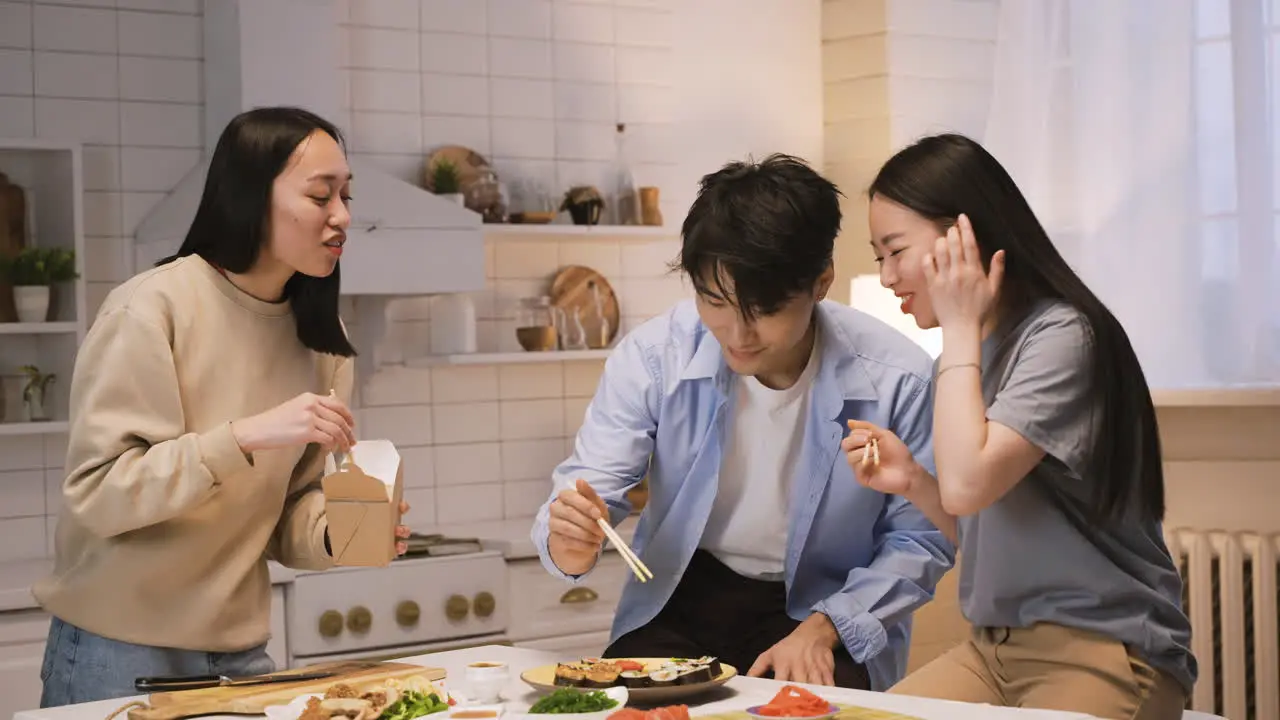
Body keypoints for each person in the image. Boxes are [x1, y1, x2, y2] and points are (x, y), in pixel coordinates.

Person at [530, 154, 955, 692]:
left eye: (764, 308)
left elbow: (920, 540)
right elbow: (591, 486)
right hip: (682, 594)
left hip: (825, 606)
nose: (737, 332)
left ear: (821, 281)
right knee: (622, 705)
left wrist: (827, 628)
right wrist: (570, 538)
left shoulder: (900, 377)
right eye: (715, 301)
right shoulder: (654, 357)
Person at [33, 107, 412, 706]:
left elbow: (285, 515)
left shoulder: (322, 337)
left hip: (241, 657)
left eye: (346, 194)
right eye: (320, 195)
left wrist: (346, 531)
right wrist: (243, 438)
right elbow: (99, 495)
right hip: (118, 652)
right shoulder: (150, 309)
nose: (342, 216)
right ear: (251, 198)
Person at [841, 133, 1195, 718]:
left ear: (965, 237)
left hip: (1104, 649)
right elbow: (978, 525)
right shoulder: (961, 360)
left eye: (895, 251)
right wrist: (911, 482)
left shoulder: (1063, 337)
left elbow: (967, 485)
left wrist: (959, 326)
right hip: (993, 652)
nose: (886, 276)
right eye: (879, 257)